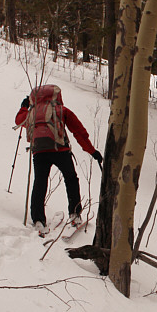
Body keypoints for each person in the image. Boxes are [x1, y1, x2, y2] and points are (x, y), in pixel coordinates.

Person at [15, 85, 102, 234]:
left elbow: (19, 122)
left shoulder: (33, 113)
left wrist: (24, 107)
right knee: (71, 179)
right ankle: (75, 214)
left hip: (39, 152)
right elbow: (79, 132)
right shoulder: (62, 111)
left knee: (40, 182)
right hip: (60, 151)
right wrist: (92, 151)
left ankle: (38, 219)